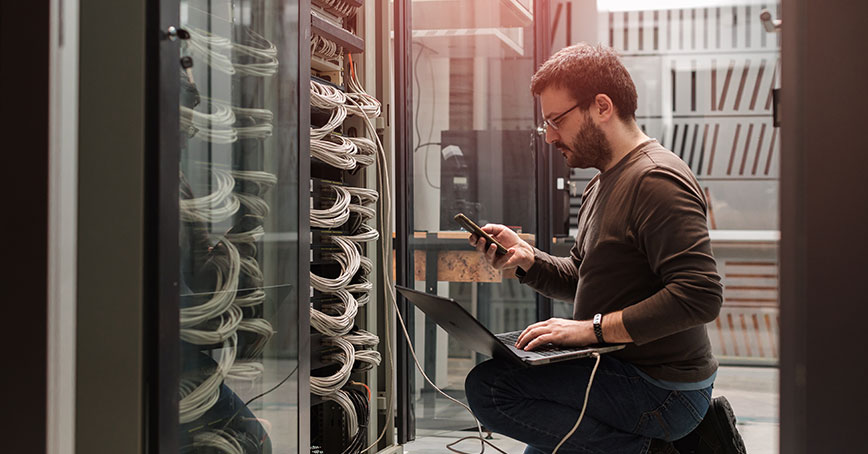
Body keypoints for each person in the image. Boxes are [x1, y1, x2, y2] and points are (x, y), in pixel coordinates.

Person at [464, 43, 747, 454]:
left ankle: (651, 451)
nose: (549, 137)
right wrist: (528, 260)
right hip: (619, 367)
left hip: (663, 389)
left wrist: (589, 331)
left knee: (491, 387)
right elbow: (583, 275)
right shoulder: (602, 182)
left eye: (556, 120)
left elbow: (699, 296)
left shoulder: (656, 179)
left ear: (601, 106)